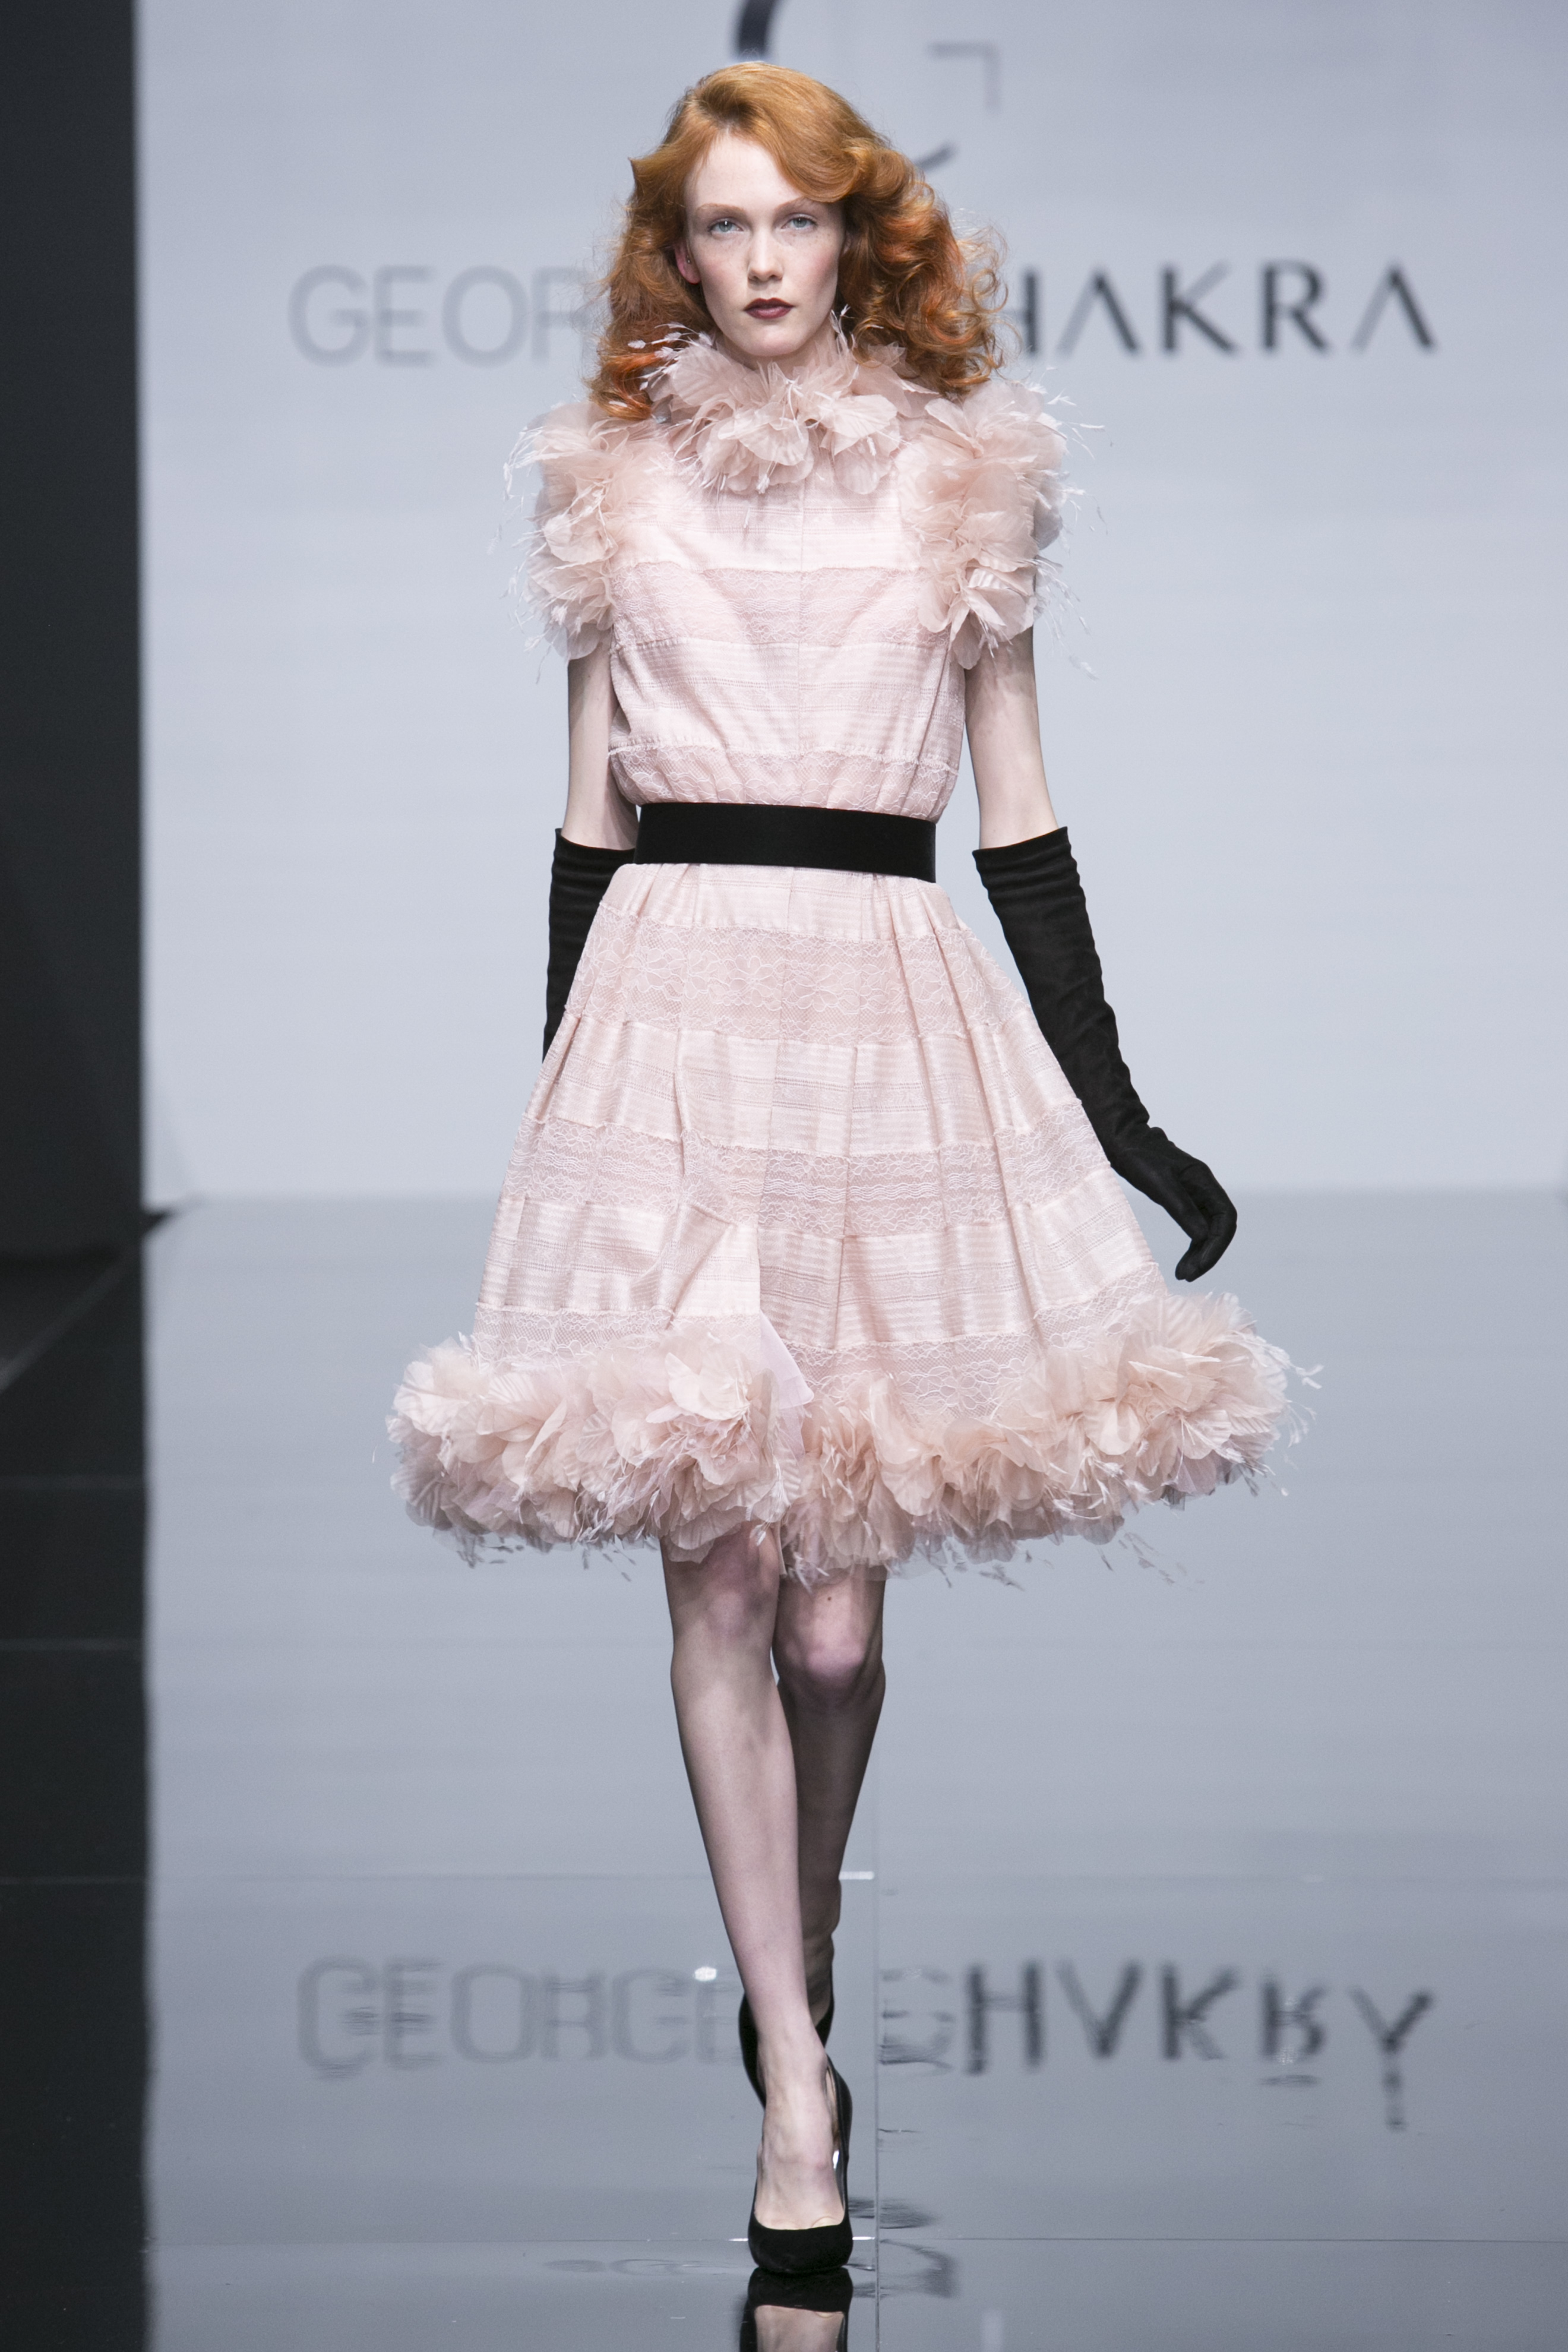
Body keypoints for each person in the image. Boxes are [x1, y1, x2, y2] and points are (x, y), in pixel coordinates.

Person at [391, 63, 1292, 2280]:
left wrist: (1118, 1107)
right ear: (679, 253)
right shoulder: (611, 483)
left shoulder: (962, 479)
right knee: (718, 1572)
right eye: (723, 225)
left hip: (890, 1021)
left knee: (835, 1620)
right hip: (676, 1019)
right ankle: (796, 2077)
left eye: (795, 218)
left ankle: (793, 1935)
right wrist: (565, 1116)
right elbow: (589, 820)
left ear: (858, 235)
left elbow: (1020, 806)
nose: (763, 260)